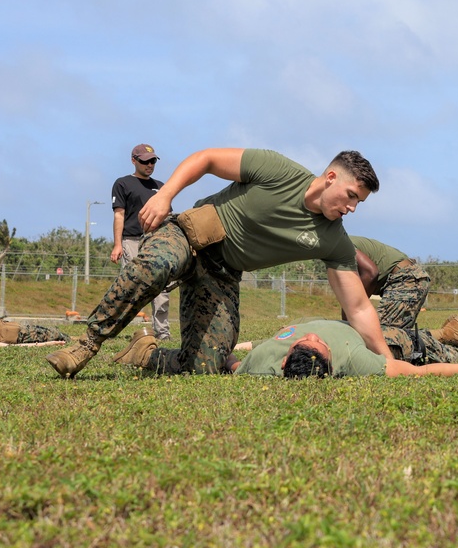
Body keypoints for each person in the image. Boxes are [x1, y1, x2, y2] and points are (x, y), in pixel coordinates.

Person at [47, 148, 389, 379]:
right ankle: (86, 344)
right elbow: (207, 159)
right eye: (351, 196)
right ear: (331, 178)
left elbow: (359, 308)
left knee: (205, 366)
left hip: (221, 274)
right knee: (154, 266)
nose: (352, 208)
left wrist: (387, 361)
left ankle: (145, 352)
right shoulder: (278, 171)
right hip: (190, 237)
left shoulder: (334, 241)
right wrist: (165, 196)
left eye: (359, 203)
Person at [219, 320, 458, 378]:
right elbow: (418, 372)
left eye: (304, 340)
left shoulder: (259, 362)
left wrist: (226, 350)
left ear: (284, 360)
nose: (313, 334)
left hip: (356, 317)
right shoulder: (354, 359)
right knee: (414, 344)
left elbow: (231, 363)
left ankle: (446, 332)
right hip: (379, 337)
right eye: (318, 342)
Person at [349, 235, 458, 349]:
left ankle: (448, 334)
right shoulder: (341, 241)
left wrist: (351, 317)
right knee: (391, 337)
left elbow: (370, 272)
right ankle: (449, 333)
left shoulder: (339, 243)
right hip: (407, 277)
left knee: (380, 339)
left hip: (405, 278)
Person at [110, 143, 171, 340]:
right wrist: (118, 244)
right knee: (131, 285)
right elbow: (119, 215)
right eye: (145, 161)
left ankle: (163, 333)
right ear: (134, 161)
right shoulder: (123, 184)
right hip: (132, 241)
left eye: (152, 161)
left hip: (156, 242)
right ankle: (111, 329)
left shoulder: (160, 187)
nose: (149, 165)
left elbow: (167, 216)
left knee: (161, 289)